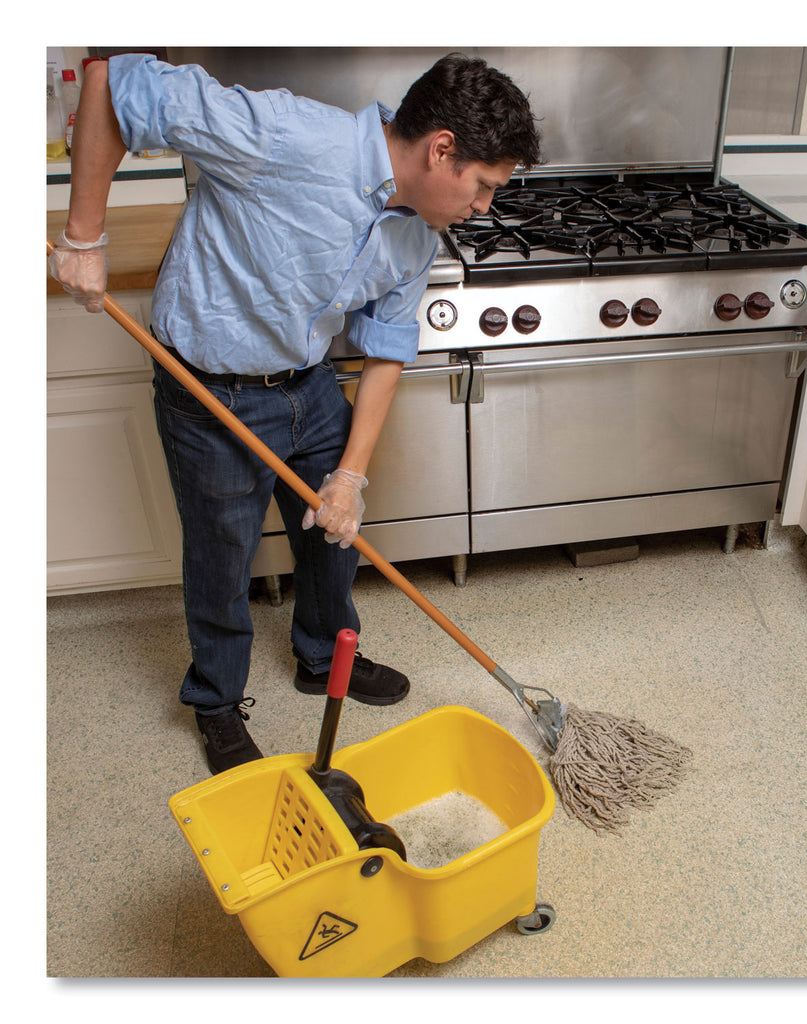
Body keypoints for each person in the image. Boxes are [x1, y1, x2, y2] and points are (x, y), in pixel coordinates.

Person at [48, 51, 542, 773]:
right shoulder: (286, 136)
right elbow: (110, 84)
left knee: (334, 537)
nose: (484, 206)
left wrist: (350, 477)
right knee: (222, 557)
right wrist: (83, 237)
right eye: (485, 186)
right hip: (210, 389)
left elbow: (385, 351)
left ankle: (322, 659)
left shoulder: (415, 235)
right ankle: (216, 701)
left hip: (307, 384)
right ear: (442, 150)